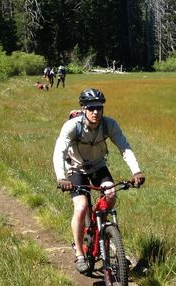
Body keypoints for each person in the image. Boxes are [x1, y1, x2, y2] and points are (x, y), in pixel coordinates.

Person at [53, 88, 145, 272]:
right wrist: (62, 177)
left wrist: (136, 172)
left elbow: (124, 148)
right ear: (83, 108)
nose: (96, 112)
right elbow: (59, 151)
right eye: (91, 108)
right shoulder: (72, 126)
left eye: (99, 108)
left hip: (98, 166)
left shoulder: (108, 125)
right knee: (80, 208)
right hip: (76, 169)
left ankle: (102, 230)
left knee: (110, 193)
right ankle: (79, 253)